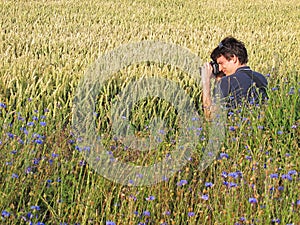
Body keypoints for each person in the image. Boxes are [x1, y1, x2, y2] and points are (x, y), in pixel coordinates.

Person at [201, 36, 268, 120]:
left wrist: (206, 82)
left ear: (233, 58)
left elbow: (210, 116)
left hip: (236, 130)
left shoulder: (228, 82)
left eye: (221, 63)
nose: (220, 68)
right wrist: (219, 79)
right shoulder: (261, 77)